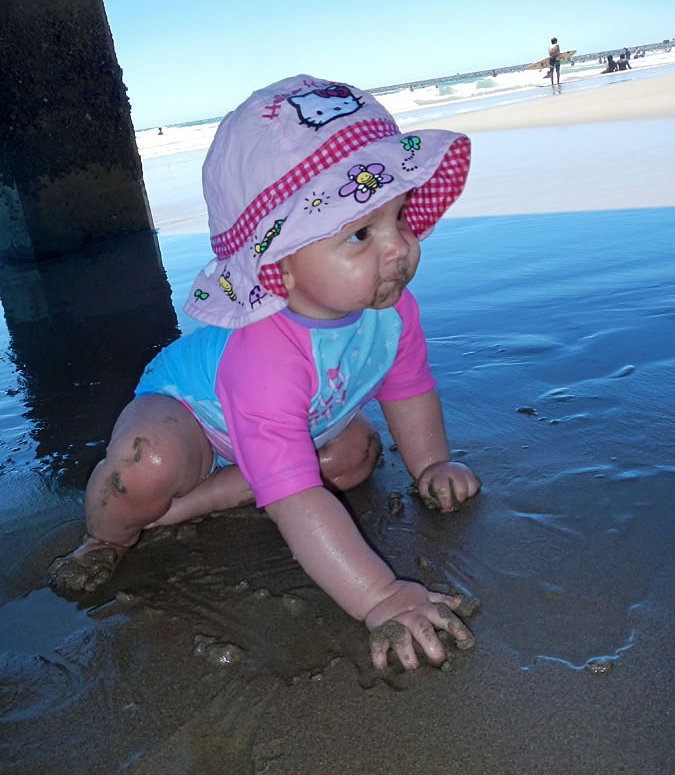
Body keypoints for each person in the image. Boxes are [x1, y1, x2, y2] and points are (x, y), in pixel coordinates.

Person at [49, 74, 481, 671]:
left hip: (292, 426)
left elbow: (408, 388)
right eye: (360, 233)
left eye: (399, 218)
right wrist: (379, 595)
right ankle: (107, 534)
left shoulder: (393, 312)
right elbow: (301, 496)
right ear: (280, 264)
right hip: (192, 418)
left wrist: (431, 463)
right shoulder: (265, 356)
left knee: (354, 457)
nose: (398, 248)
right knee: (144, 466)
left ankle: (186, 509)